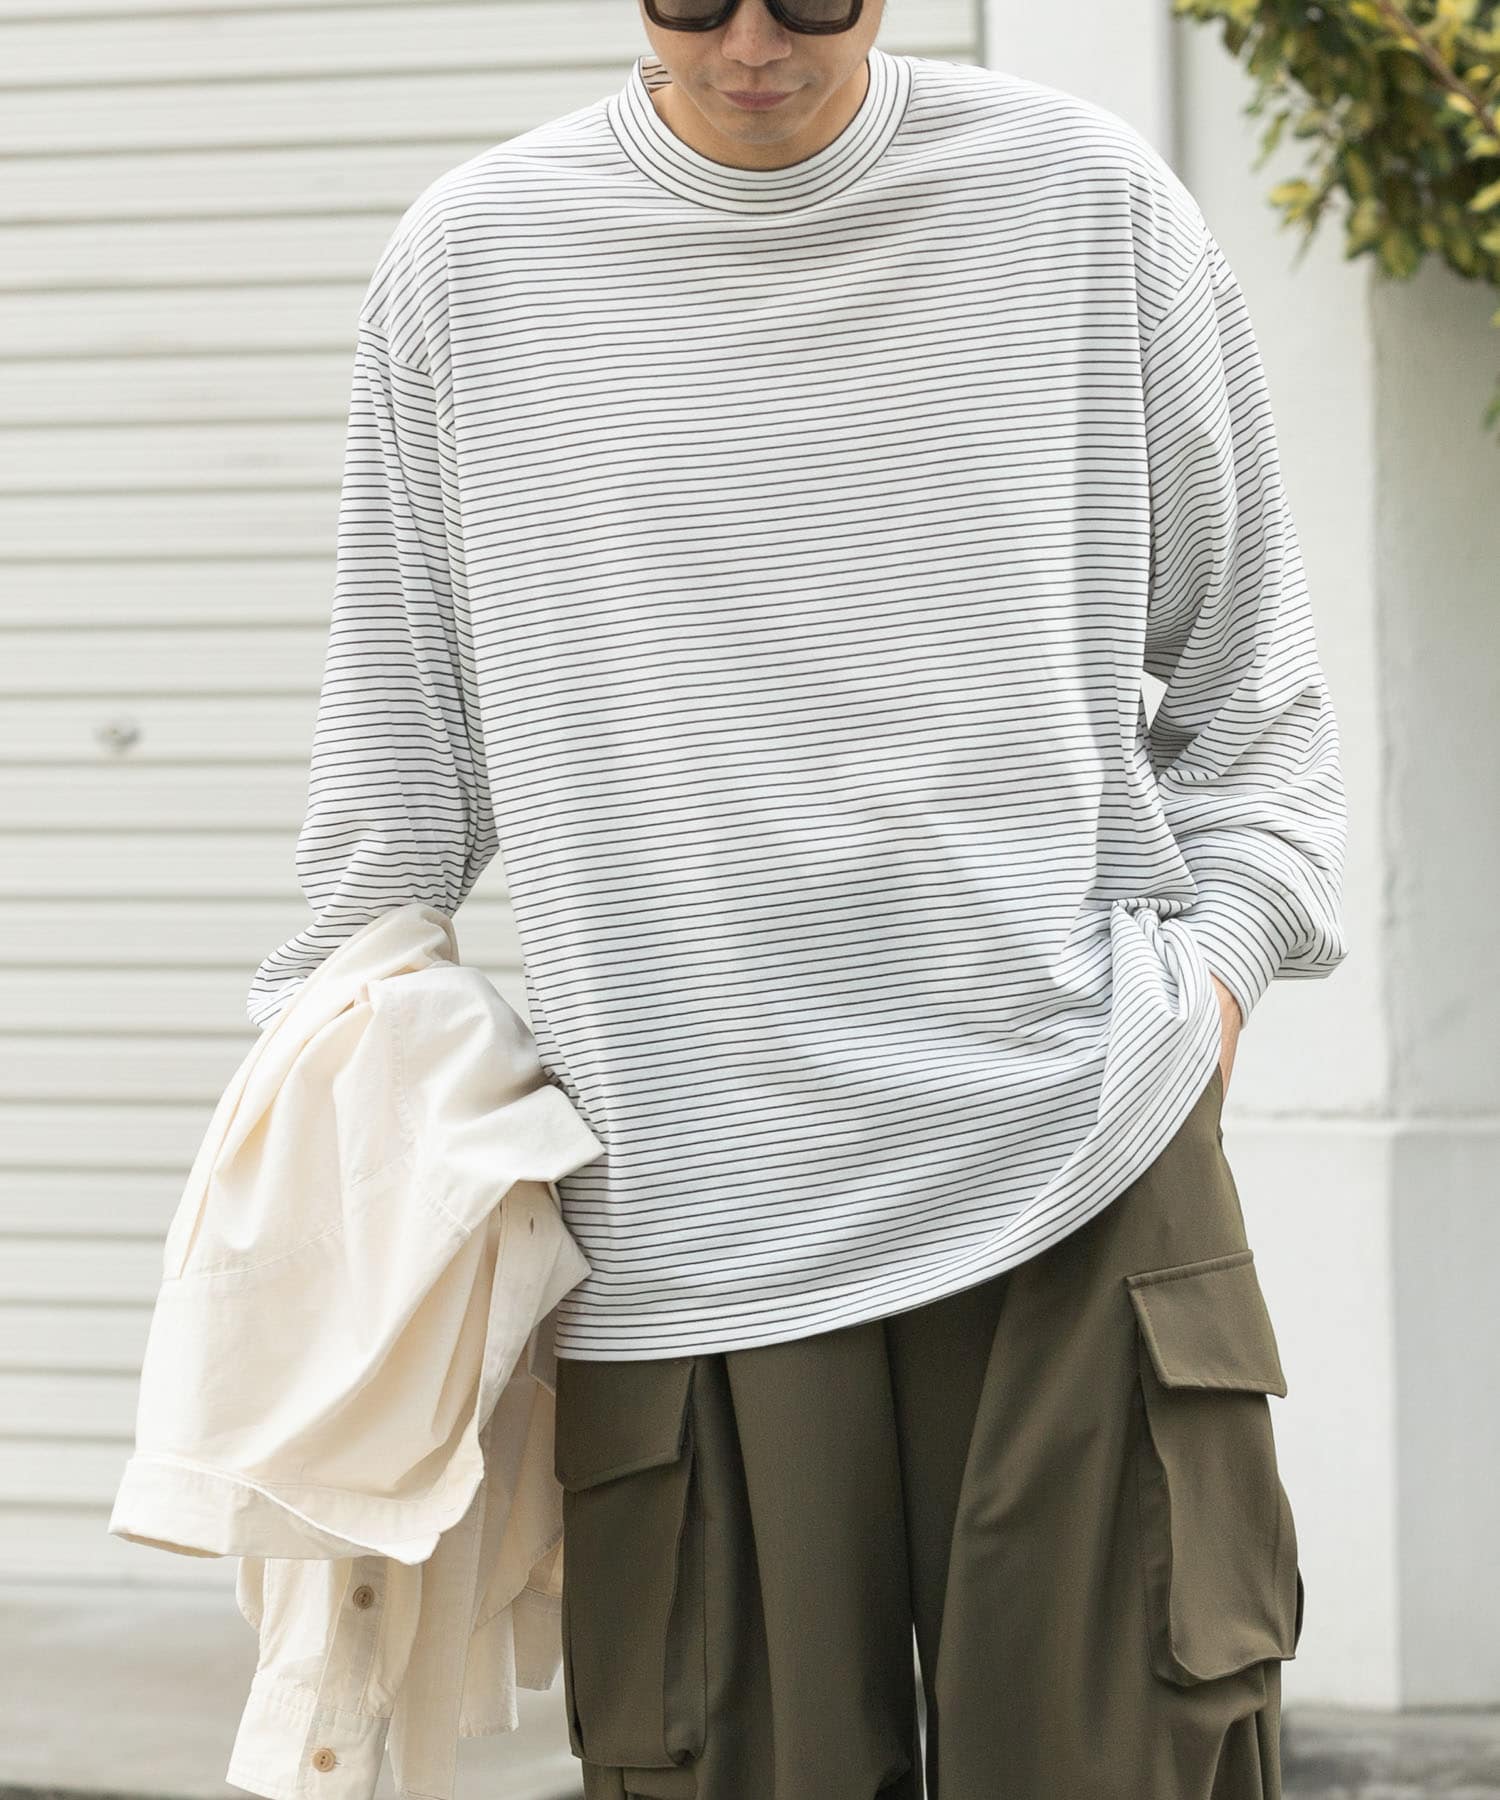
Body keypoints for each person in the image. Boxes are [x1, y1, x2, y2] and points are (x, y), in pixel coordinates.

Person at [247, 1, 1349, 1793]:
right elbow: (388, 819)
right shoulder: (473, 267)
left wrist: (1203, 1007)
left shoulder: (1085, 204)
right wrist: (304, 1206)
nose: (754, 38)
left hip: (1082, 1172)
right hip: (684, 1223)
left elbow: (1257, 719)